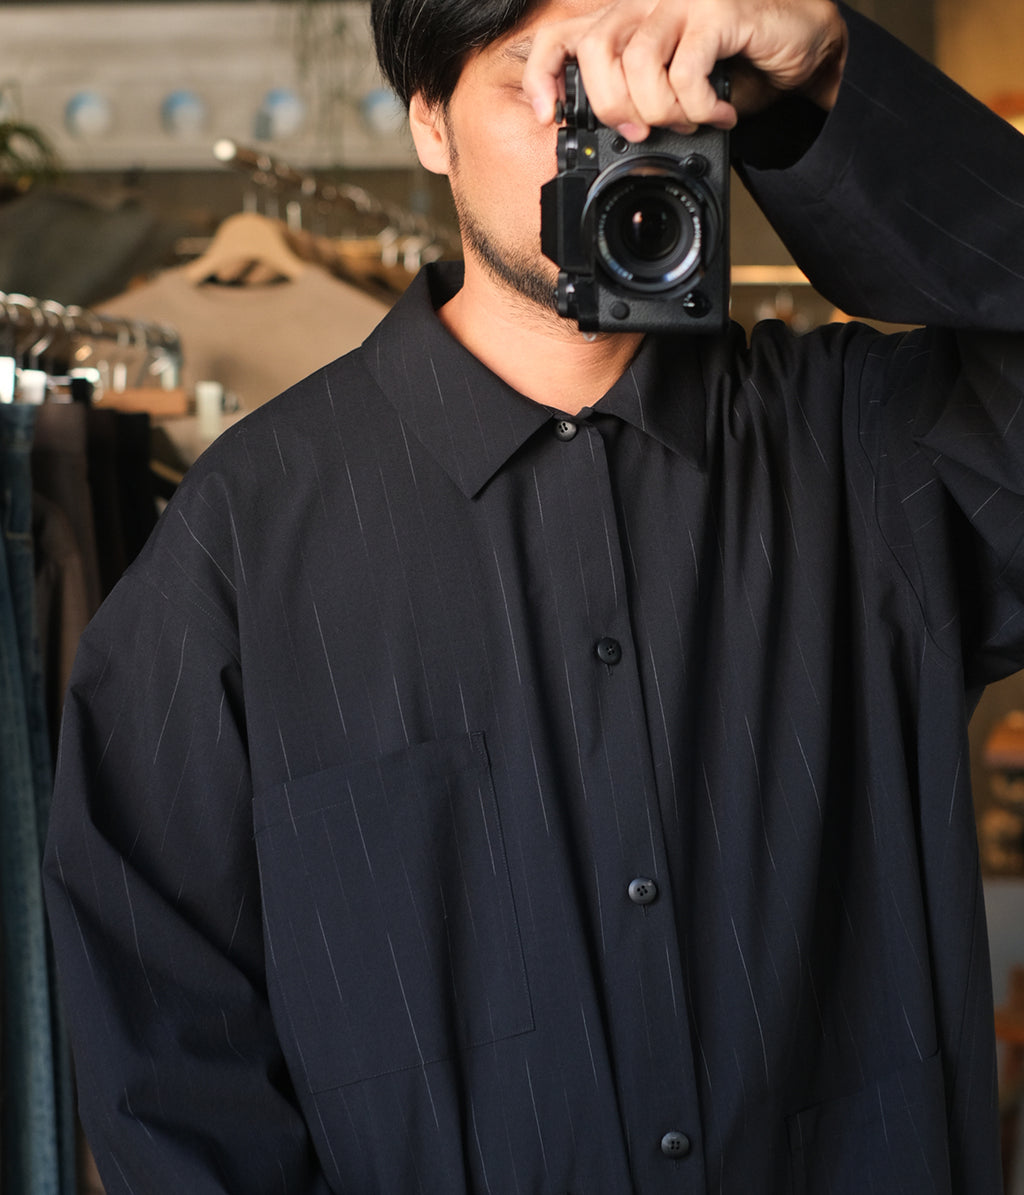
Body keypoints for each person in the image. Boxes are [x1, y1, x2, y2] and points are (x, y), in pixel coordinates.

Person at [42, 0, 1024, 1190]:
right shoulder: (241, 542)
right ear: (429, 122)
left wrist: (828, 84)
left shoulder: (865, 450)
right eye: (545, 79)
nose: (606, 127)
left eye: (641, 73)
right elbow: (168, 1050)